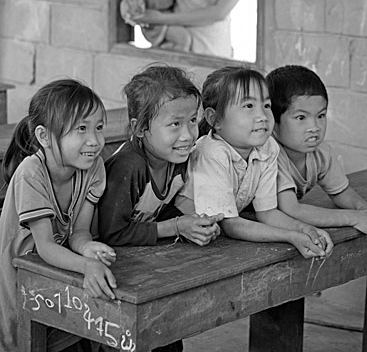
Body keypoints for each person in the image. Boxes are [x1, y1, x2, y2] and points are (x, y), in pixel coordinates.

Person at [98, 65, 223, 352]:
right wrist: (177, 227)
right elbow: (110, 232)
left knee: (166, 330)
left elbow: (164, 208)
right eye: (175, 124)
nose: (189, 134)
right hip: (104, 265)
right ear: (140, 129)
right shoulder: (130, 167)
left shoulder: (177, 158)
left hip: (138, 260)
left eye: (193, 120)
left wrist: (197, 223)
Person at [0, 79, 117, 352]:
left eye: (99, 128)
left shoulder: (93, 168)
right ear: (44, 137)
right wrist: (86, 266)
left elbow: (79, 232)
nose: (95, 141)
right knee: (25, 339)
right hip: (16, 277)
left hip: (52, 276)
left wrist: (88, 248)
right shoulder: (31, 173)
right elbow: (46, 246)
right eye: (81, 129)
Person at [175, 65, 333, 259]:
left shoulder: (268, 148)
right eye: (249, 106)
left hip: (216, 238)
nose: (262, 116)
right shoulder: (212, 152)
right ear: (215, 119)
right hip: (180, 240)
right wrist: (291, 236)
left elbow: (267, 213)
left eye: (266, 105)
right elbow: (230, 225)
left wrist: (306, 230)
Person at [266, 65, 367, 232]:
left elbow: (340, 191)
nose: (314, 127)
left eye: (320, 116)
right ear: (273, 123)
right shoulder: (269, 155)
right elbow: (292, 210)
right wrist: (353, 217)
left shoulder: (321, 152)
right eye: (301, 117)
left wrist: (362, 209)